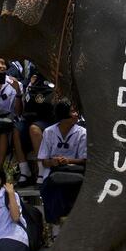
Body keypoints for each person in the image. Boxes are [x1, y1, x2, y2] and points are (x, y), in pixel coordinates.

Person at [38, 99, 87, 240]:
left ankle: (74, 229)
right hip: (54, 171)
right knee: (52, 187)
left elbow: (84, 159)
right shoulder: (49, 132)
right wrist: (53, 162)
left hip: (74, 170)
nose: (76, 114)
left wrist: (68, 160)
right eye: (72, 112)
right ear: (63, 116)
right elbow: (43, 160)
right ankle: (56, 226)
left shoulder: (82, 132)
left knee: (68, 187)